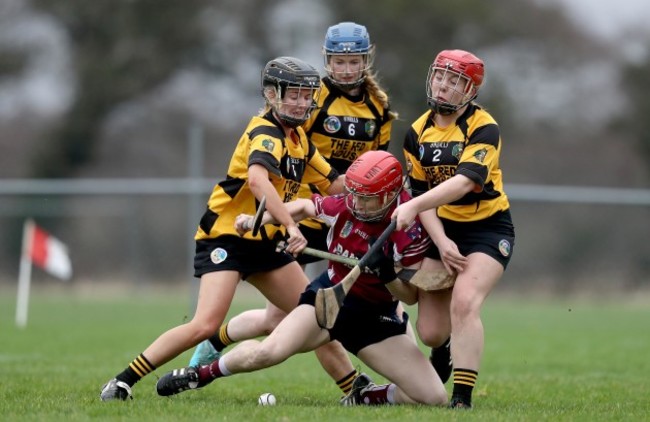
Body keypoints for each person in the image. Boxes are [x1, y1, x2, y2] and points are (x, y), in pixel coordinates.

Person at [99, 56, 359, 401]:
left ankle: (356, 391)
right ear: (271, 93)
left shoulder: (299, 140)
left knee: (314, 317)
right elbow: (256, 180)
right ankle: (121, 381)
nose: (300, 102)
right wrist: (290, 226)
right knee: (204, 324)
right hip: (227, 238)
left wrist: (378, 183)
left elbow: (334, 185)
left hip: (266, 245)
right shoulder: (266, 132)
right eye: (292, 94)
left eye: (305, 95)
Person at [187, 22, 399, 394]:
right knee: (294, 311)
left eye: (354, 60)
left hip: (346, 209)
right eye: (338, 60)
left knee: (285, 315)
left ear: (367, 59)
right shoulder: (311, 96)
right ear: (327, 59)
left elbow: (377, 162)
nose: (346, 68)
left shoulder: (378, 107)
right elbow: (287, 145)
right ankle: (352, 386)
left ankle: (217, 341)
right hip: (303, 209)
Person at [155, 150, 448, 407]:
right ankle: (199, 375)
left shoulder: (408, 230)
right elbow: (307, 206)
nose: (355, 204)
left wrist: (387, 274)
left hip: (373, 317)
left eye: (365, 199)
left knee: (433, 397)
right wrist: (264, 218)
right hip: (326, 299)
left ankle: (365, 397)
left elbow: (409, 296)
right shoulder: (348, 204)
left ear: (389, 195)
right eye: (354, 194)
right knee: (269, 352)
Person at [391, 49, 516, 409]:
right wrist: (441, 240)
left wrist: (413, 206)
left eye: (455, 81)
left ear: (471, 90)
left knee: (464, 303)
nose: (444, 86)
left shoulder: (484, 127)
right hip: (442, 229)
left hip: (488, 230)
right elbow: (419, 192)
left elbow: (464, 183)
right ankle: (443, 346)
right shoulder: (417, 132)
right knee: (431, 332)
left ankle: (461, 399)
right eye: (440, 77)